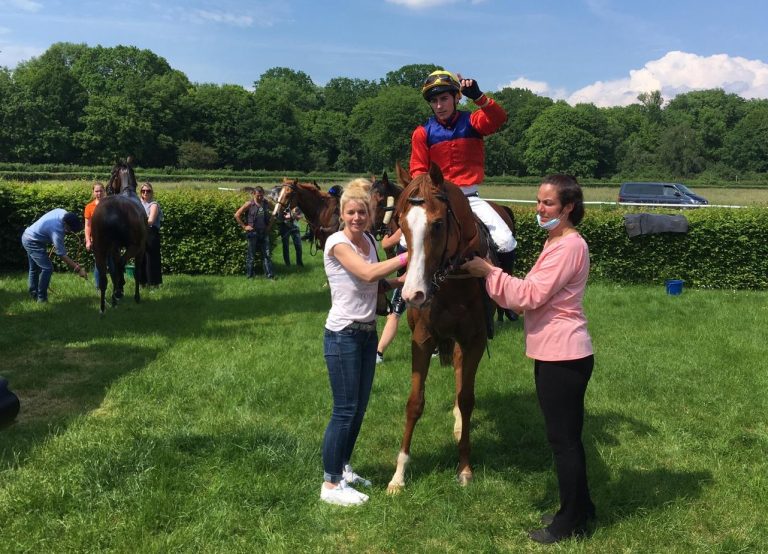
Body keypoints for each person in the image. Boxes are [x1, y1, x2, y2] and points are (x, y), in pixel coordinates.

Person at [461, 175, 595, 544]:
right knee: (568, 439)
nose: (540, 208)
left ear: (568, 207)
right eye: (538, 201)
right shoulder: (557, 241)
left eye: (548, 204)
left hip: (563, 355)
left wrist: (489, 272)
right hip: (557, 351)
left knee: (563, 441)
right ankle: (581, 509)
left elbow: (528, 296)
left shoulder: (568, 246)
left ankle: (568, 523)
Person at [320, 178, 408, 506]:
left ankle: (342, 469)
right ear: (342, 214)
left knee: (358, 409)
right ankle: (330, 486)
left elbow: (375, 283)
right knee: (343, 410)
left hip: (367, 335)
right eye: (351, 212)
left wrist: (400, 280)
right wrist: (409, 254)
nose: (357, 217)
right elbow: (367, 274)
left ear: (371, 214)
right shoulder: (337, 244)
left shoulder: (369, 241)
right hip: (342, 335)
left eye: (363, 212)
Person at [411, 69, 517, 271]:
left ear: (456, 98)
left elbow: (499, 119)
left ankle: (506, 300)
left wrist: (478, 97)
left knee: (505, 241)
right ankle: (400, 295)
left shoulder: (473, 121)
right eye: (434, 101)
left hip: (470, 199)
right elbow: (418, 171)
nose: (439, 106)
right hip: (436, 199)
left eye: (444, 99)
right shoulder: (422, 133)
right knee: (405, 244)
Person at [21, 209, 87, 302]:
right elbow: (62, 255)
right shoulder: (57, 230)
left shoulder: (63, 212)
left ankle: (34, 294)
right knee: (47, 269)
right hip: (31, 241)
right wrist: (78, 269)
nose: (69, 232)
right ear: (65, 223)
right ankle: (42, 299)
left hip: (30, 236)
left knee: (34, 269)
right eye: (69, 229)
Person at [375, 228, 407, 364]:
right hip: (404, 278)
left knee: (394, 314)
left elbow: (385, 243)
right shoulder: (403, 229)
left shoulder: (404, 229)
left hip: (409, 279)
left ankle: (379, 353)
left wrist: (387, 232)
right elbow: (386, 244)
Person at [234, 186, 275, 280]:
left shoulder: (267, 203)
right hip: (253, 233)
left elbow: (274, 213)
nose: (260, 198)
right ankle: (250, 276)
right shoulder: (249, 204)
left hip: (264, 233)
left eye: (261, 195)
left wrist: (269, 226)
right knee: (251, 256)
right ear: (253, 194)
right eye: (258, 196)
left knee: (267, 255)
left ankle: (270, 276)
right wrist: (245, 227)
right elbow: (237, 215)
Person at [83, 181, 111, 289]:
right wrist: (88, 240)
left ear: (104, 191)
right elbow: (87, 225)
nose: (98, 193)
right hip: (97, 240)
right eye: (96, 191)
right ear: (93, 192)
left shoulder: (110, 205)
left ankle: (117, 288)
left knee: (112, 265)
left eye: (100, 191)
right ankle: (99, 288)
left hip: (110, 240)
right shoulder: (89, 207)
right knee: (99, 264)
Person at [138, 182, 163, 287]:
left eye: (148, 191)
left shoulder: (154, 205)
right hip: (140, 233)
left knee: (151, 259)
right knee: (141, 258)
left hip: (151, 233)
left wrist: (136, 222)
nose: (145, 193)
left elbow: (151, 221)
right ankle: (142, 282)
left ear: (151, 192)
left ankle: (153, 283)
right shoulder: (138, 204)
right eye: (143, 191)